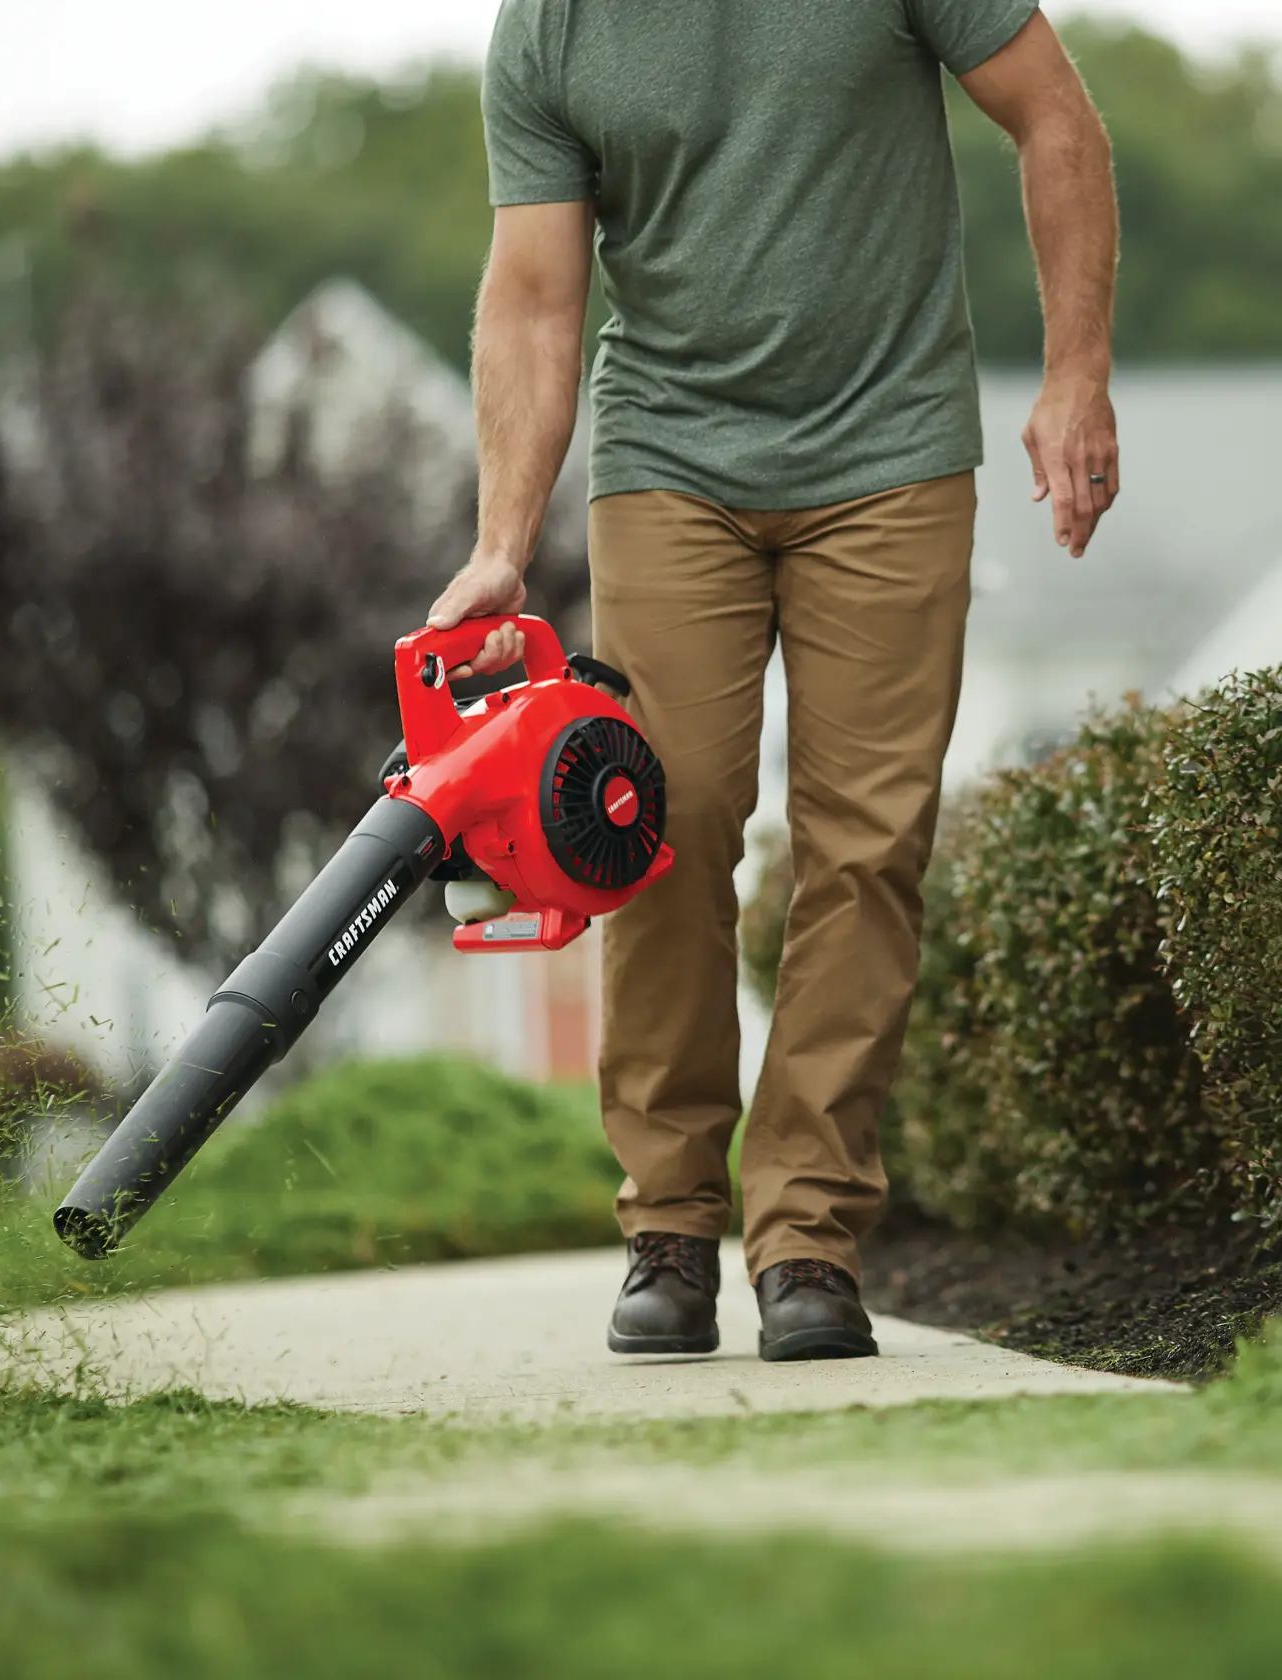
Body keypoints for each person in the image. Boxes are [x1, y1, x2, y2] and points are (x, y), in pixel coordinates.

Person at [427, 1, 1120, 1361]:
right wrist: (503, 543)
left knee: (866, 844)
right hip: (669, 453)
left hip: (893, 443)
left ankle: (807, 1240)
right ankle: (669, 1229)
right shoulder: (550, 28)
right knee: (649, 826)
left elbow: (1059, 119)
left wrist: (1077, 373)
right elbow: (533, 292)